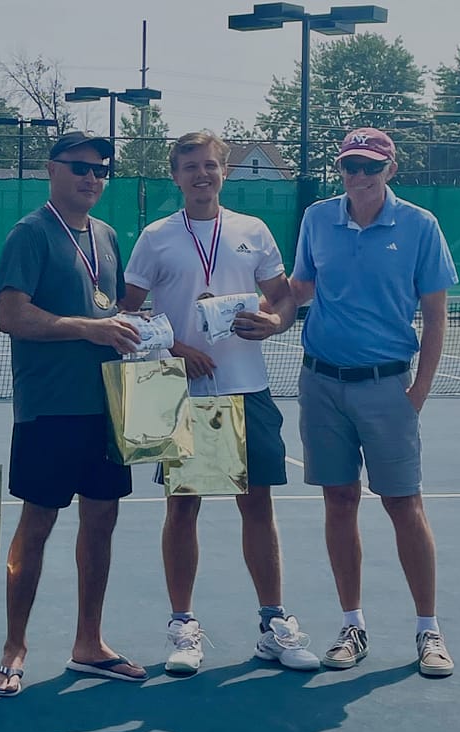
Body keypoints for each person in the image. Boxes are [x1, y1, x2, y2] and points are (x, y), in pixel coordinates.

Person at [120, 131, 320, 675]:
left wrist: (275, 321)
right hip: (182, 392)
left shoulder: (251, 231)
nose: (201, 174)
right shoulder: (156, 238)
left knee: (258, 507)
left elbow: (282, 296)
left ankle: (274, 625)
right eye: (190, 167)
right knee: (182, 508)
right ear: (176, 174)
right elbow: (127, 311)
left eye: (209, 165)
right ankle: (182, 627)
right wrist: (177, 348)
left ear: (223, 171)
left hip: (247, 389)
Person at [0, 131, 146, 697]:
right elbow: (11, 316)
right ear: (53, 170)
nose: (92, 178)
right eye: (80, 167)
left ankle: (88, 643)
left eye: (101, 171)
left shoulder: (105, 236)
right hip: (49, 411)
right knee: (38, 526)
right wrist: (89, 328)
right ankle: (14, 647)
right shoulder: (29, 234)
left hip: (107, 408)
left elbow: (112, 311)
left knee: (101, 523)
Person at [290, 127, 458, 677]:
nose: (358, 175)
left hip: (388, 387)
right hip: (320, 384)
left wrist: (418, 392)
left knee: (403, 505)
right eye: (350, 165)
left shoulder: (419, 225)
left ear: (390, 168)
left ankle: (427, 630)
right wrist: (245, 309)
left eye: (369, 165)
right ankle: (352, 625)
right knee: (339, 501)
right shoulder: (317, 218)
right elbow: (298, 291)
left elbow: (435, 315)